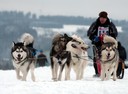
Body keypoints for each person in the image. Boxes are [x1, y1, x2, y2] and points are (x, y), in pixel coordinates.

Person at [87, 11, 118, 77]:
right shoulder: (95, 24)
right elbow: (89, 33)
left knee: (109, 56)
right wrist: (94, 38)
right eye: (101, 18)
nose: (102, 19)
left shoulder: (110, 24)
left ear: (106, 18)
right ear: (99, 17)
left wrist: (110, 37)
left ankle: (109, 71)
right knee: (97, 57)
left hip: (108, 43)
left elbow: (115, 33)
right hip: (97, 43)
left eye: (103, 18)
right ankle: (98, 72)